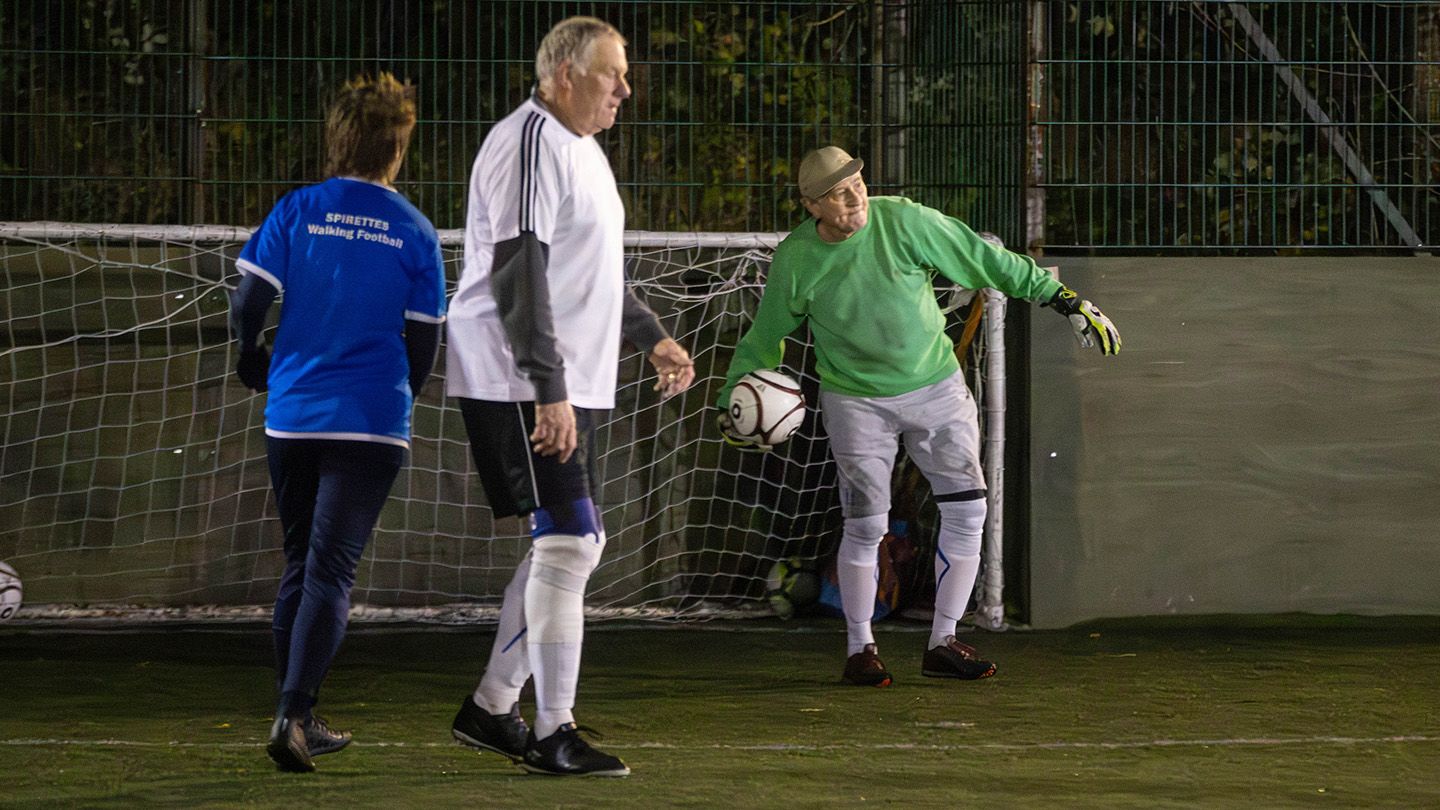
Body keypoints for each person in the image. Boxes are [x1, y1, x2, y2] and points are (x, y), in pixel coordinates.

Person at [716, 146, 1120, 688]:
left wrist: (1063, 298)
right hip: (854, 401)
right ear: (812, 205)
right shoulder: (796, 258)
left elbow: (985, 259)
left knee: (969, 509)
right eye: (838, 191)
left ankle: (944, 641)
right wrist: (732, 402)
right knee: (865, 524)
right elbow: (765, 339)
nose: (855, 194)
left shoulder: (905, 220)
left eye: (857, 180)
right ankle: (861, 649)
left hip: (936, 388)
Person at [444, 16, 695, 777]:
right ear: (563, 75)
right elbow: (519, 273)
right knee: (570, 541)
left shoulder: (582, 150)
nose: (626, 88)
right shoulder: (529, 141)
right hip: (517, 373)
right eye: (612, 73)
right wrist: (547, 388)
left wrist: (649, 333)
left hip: (558, 376)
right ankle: (553, 730)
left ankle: (492, 708)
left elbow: (592, 273)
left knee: (569, 544)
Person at [229, 73, 446, 772]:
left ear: (337, 140)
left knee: (300, 562)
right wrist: (397, 398)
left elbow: (247, 303)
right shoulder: (414, 230)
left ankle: (296, 708)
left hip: (292, 414)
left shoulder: (297, 210)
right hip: (370, 419)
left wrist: (251, 357)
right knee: (331, 570)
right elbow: (423, 343)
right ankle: (295, 714)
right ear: (398, 148)